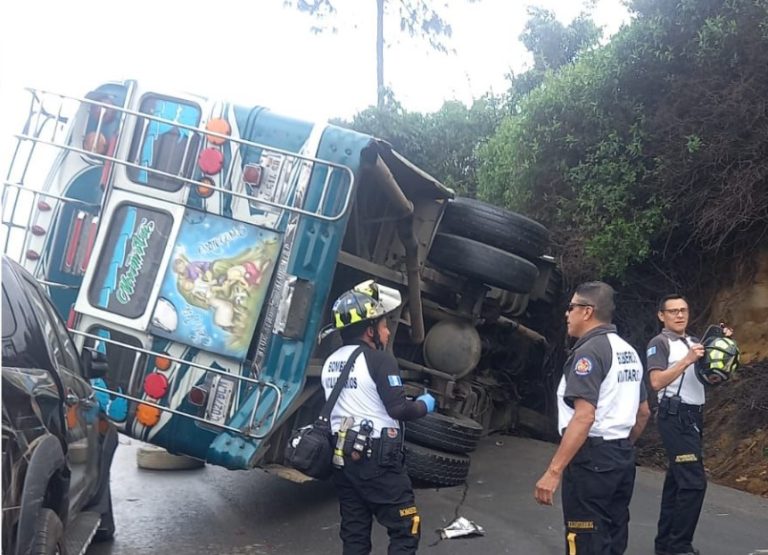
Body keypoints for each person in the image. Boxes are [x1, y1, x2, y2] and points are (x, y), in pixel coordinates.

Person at [321, 279, 436, 555]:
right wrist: (425, 405)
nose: (386, 333)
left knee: (355, 533)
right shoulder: (379, 360)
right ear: (369, 329)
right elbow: (398, 410)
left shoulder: (331, 362)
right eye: (383, 326)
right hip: (377, 459)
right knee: (407, 526)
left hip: (343, 459)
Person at [535, 281, 650, 555]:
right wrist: (620, 446)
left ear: (587, 312)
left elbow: (584, 417)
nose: (567, 314)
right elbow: (643, 411)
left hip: (592, 461)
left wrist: (553, 472)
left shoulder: (589, 353)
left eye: (572, 307)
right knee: (612, 535)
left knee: (585, 538)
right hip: (621, 456)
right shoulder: (628, 351)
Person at [647, 294, 733, 555]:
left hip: (694, 416)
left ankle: (665, 545)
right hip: (675, 416)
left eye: (683, 310)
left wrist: (723, 340)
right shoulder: (659, 343)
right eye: (672, 311)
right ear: (662, 316)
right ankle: (679, 546)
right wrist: (686, 360)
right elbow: (656, 382)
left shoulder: (696, 341)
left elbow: (710, 374)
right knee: (694, 483)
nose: (679, 315)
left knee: (677, 481)